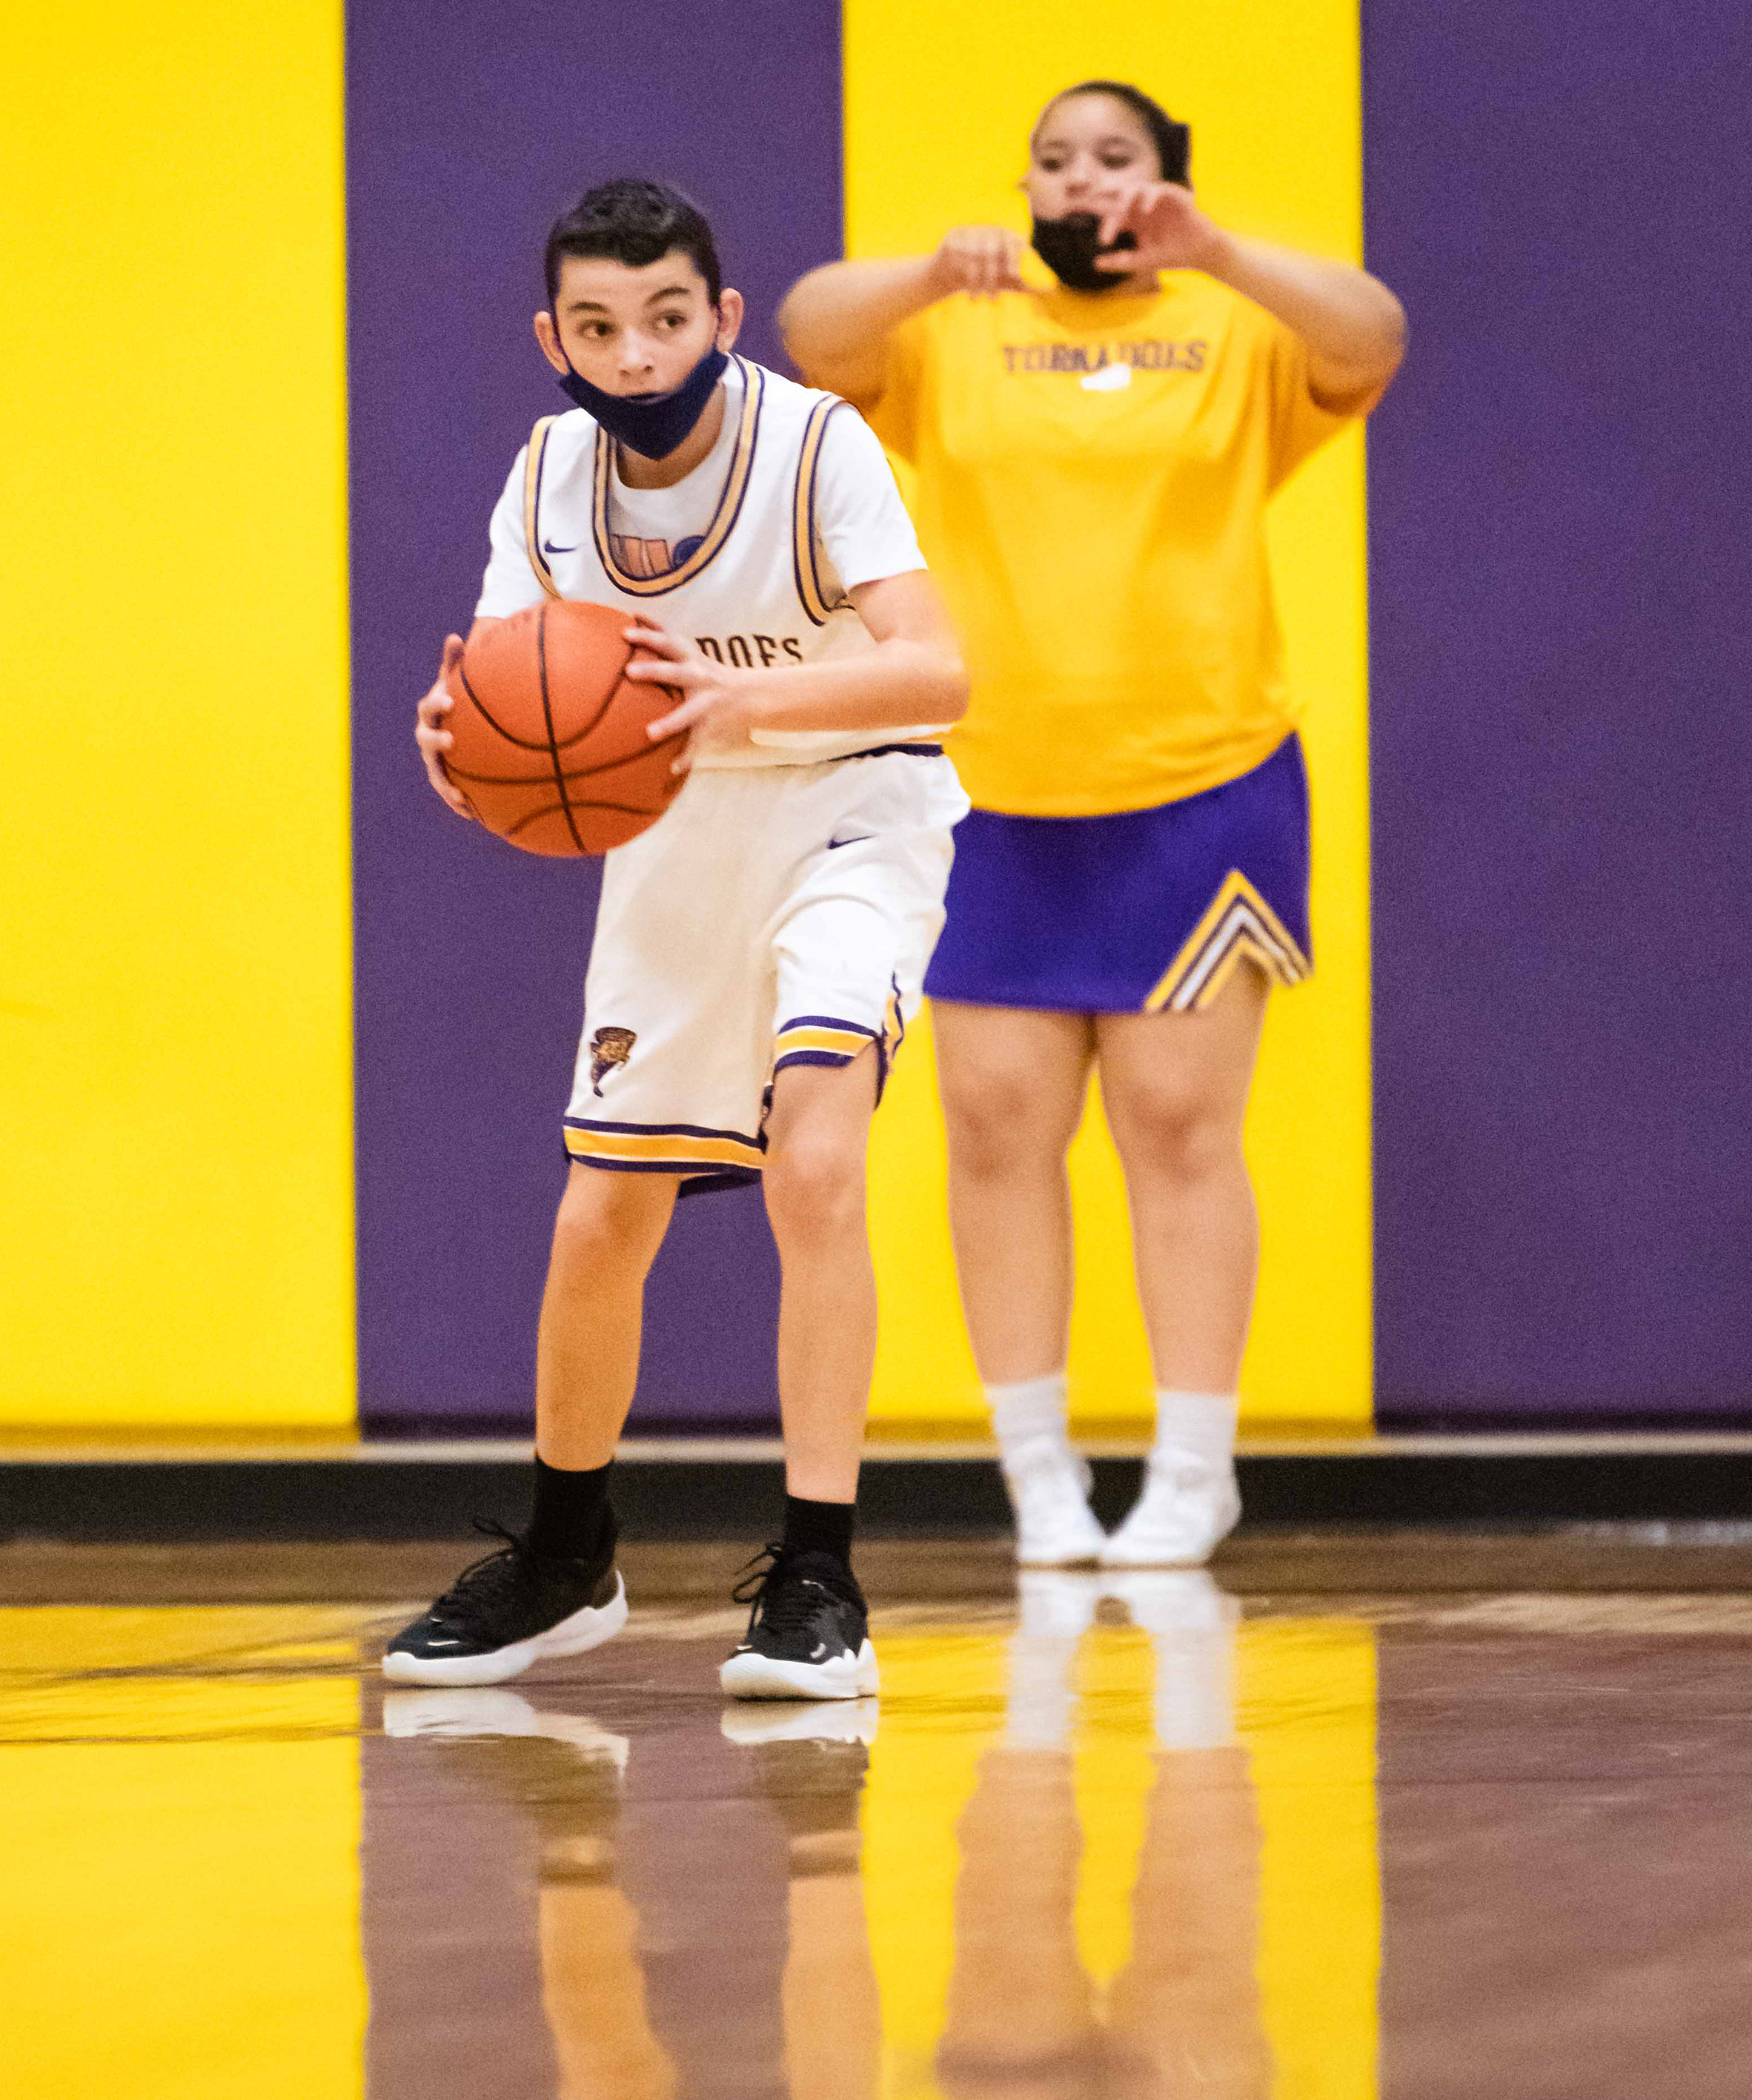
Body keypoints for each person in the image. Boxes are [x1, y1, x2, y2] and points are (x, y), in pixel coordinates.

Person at [780, 81, 1407, 1568]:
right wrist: (931, 270)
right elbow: (809, 329)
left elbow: (1373, 332)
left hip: (1201, 783)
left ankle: (1194, 1470)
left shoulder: (1239, 332)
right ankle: (1038, 1469)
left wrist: (1219, 250)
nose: (1081, 179)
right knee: (998, 1124)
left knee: (1179, 1125)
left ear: (1164, 181)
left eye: (1114, 157)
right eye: (1054, 159)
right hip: (988, 796)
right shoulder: (951, 334)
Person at [386, 179, 972, 1700]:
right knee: (601, 1214)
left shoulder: (818, 444)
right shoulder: (548, 471)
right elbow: (510, 681)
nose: (635, 354)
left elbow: (941, 671)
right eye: (598, 327)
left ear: (721, 317)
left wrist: (744, 698)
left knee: (816, 1157)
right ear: (554, 341)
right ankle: (566, 1555)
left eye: (664, 318)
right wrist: (458, 740)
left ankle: (820, 1574)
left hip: (854, 800)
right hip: (679, 828)